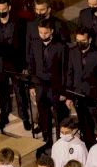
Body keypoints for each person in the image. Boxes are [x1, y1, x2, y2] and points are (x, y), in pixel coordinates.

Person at [26, 19, 67, 147]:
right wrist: (31, 85)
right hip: (40, 87)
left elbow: (64, 70)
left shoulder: (61, 46)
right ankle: (47, 140)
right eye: (40, 33)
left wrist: (63, 92)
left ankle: (60, 142)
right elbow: (31, 66)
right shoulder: (34, 44)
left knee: (59, 116)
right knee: (44, 116)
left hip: (55, 88)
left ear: (52, 31)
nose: (43, 35)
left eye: (46, 33)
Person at [0, 0, 26, 131]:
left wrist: (25, 65)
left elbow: (24, 46)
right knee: (2, 92)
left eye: (3, 9)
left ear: (9, 8)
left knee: (20, 92)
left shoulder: (19, 23)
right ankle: (3, 117)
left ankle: (25, 118)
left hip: (16, 64)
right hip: (0, 64)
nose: (1, 12)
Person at [65, 28, 97, 140]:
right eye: (78, 40)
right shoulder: (72, 52)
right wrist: (69, 96)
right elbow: (70, 75)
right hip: (78, 95)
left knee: (95, 124)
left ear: (90, 40)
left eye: (83, 41)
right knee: (83, 124)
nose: (80, 43)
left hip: (93, 96)